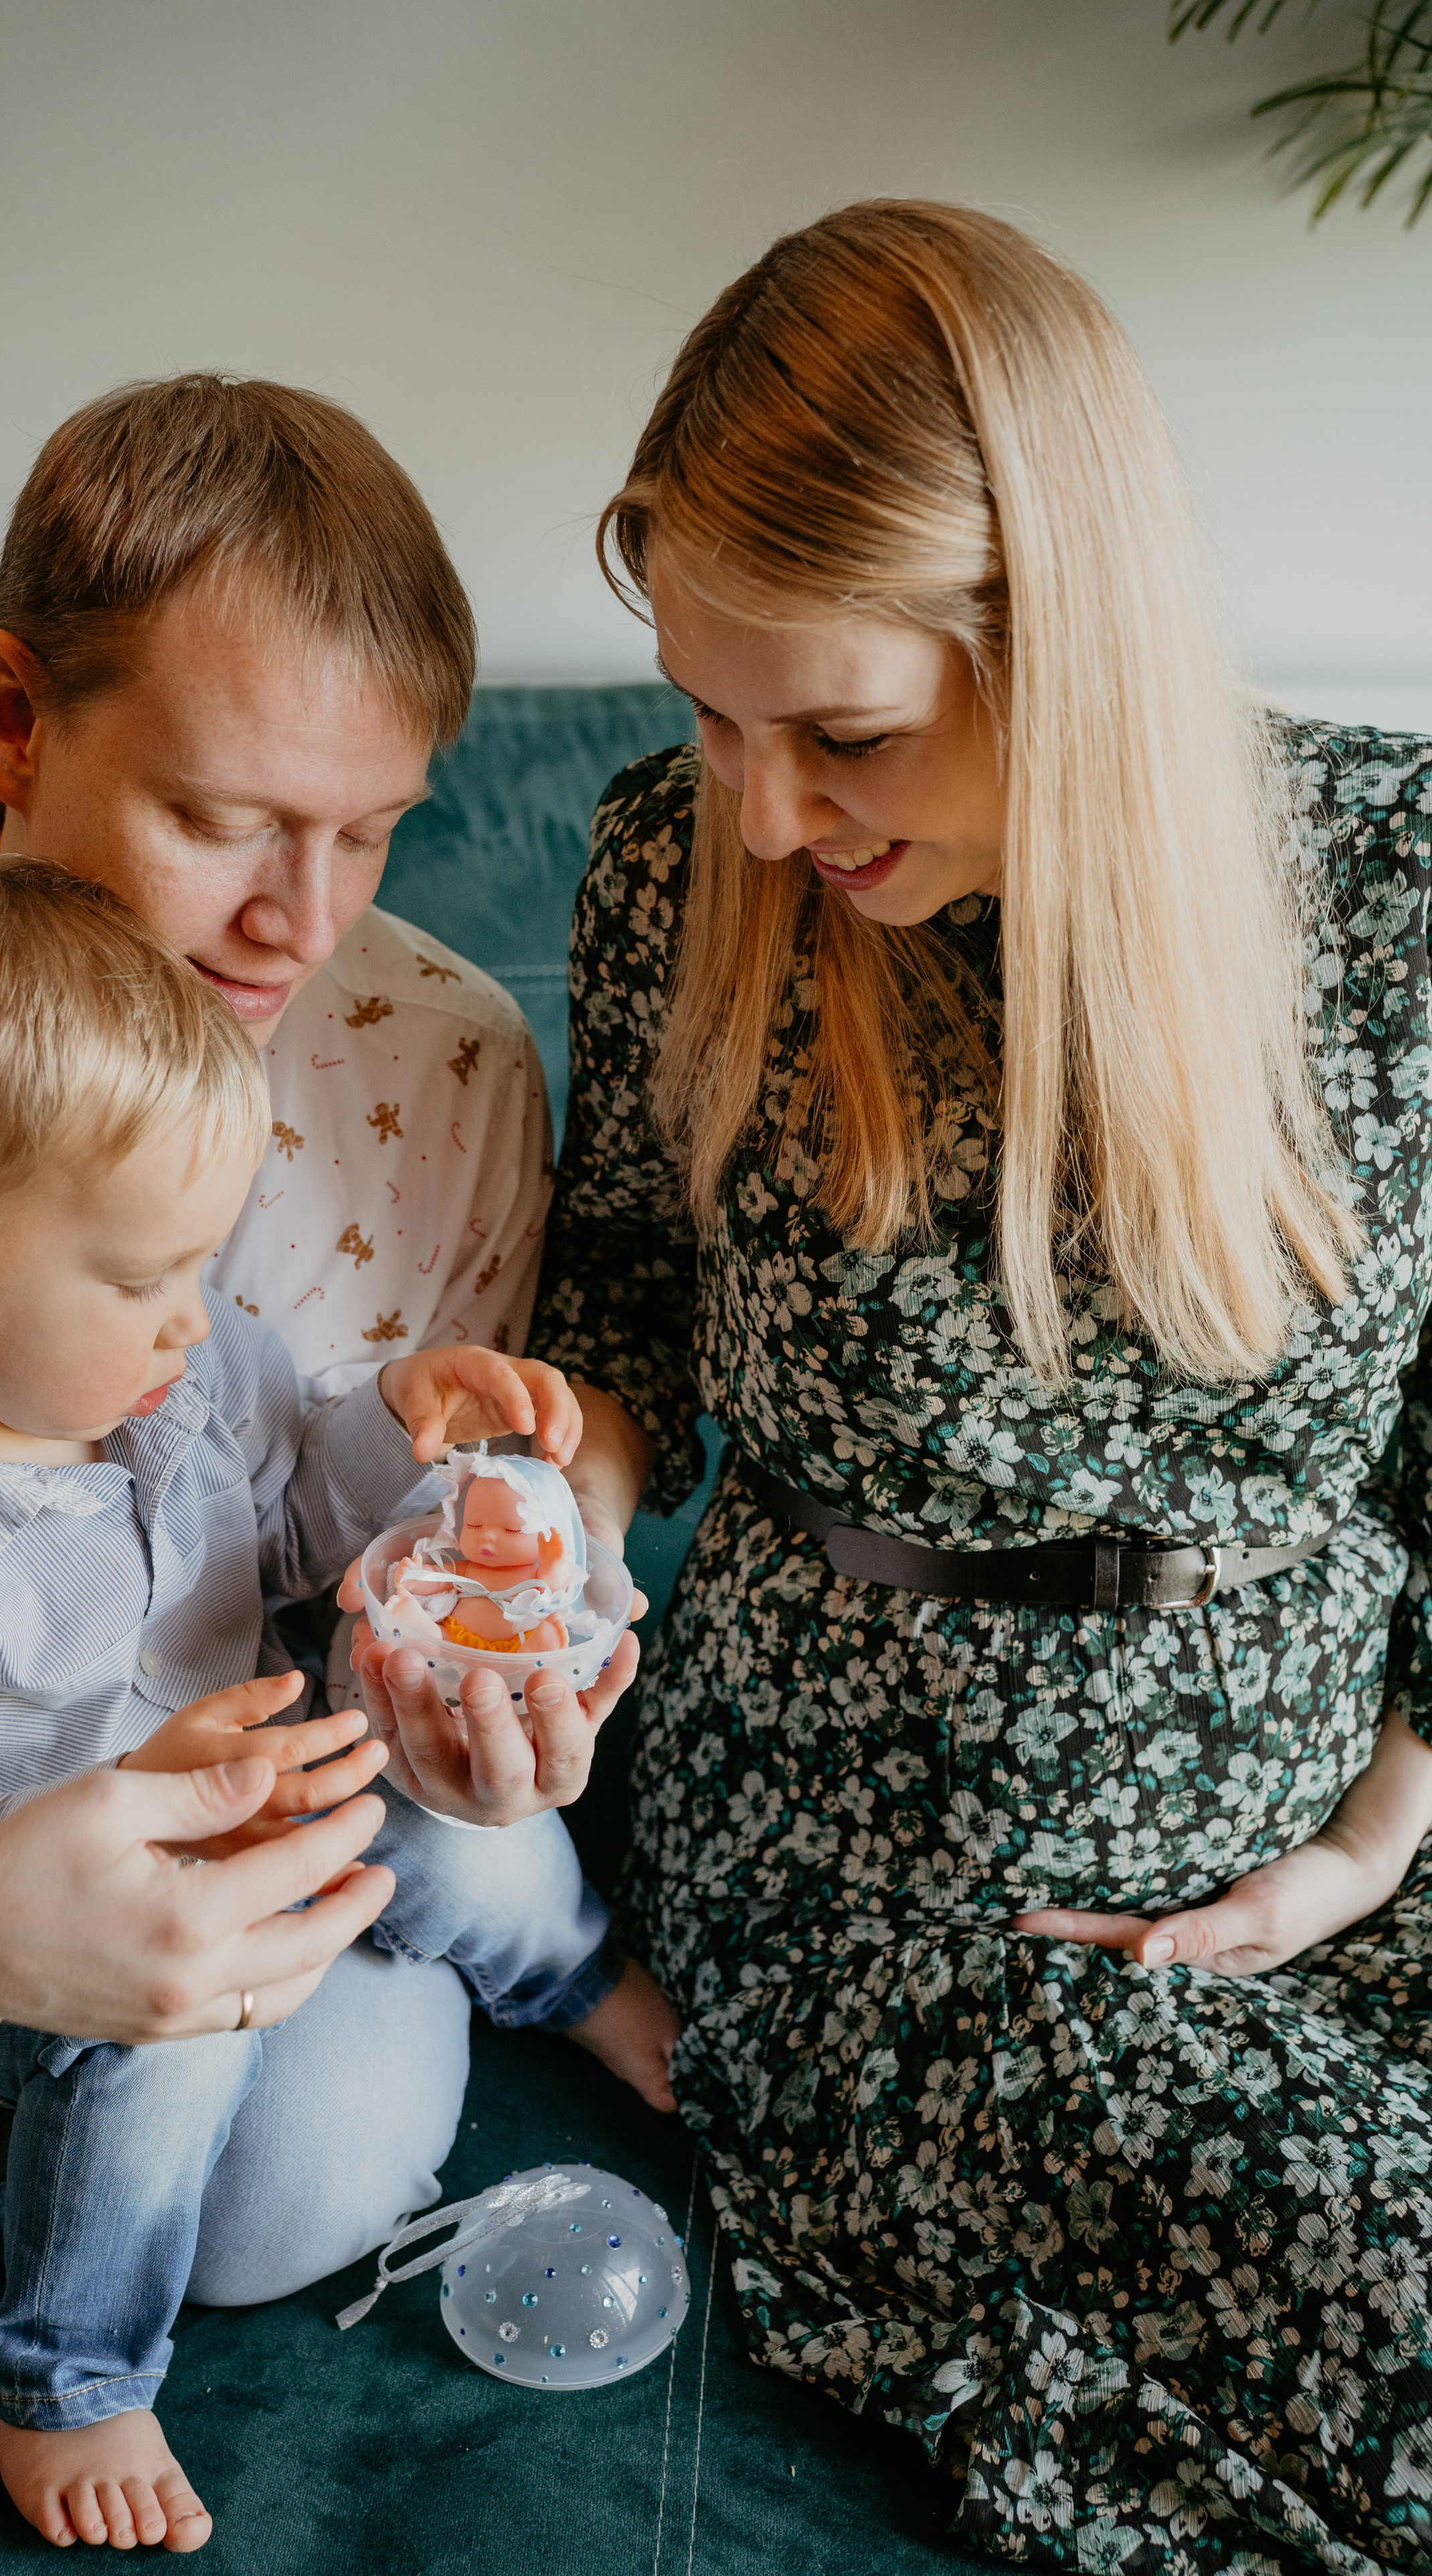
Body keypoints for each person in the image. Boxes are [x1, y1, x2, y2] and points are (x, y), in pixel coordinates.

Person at [533, 199, 1432, 2572]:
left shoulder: (1397, 884)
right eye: (708, 717)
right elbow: (617, 1311)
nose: (760, 811)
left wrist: (1369, 1840)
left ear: (1074, 651)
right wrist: (553, 1467)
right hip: (912, 1887)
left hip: (1351, 1814)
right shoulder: (676, 877)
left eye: (835, 730)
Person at [0, 374, 636, 2569]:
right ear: (14, 720)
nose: (300, 925)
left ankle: (35, 2212)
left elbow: (404, 1542)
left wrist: (495, 1661)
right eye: (228, 818)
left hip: (219, 1852)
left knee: (294, 2178)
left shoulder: (435, 1064)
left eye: (376, 828)